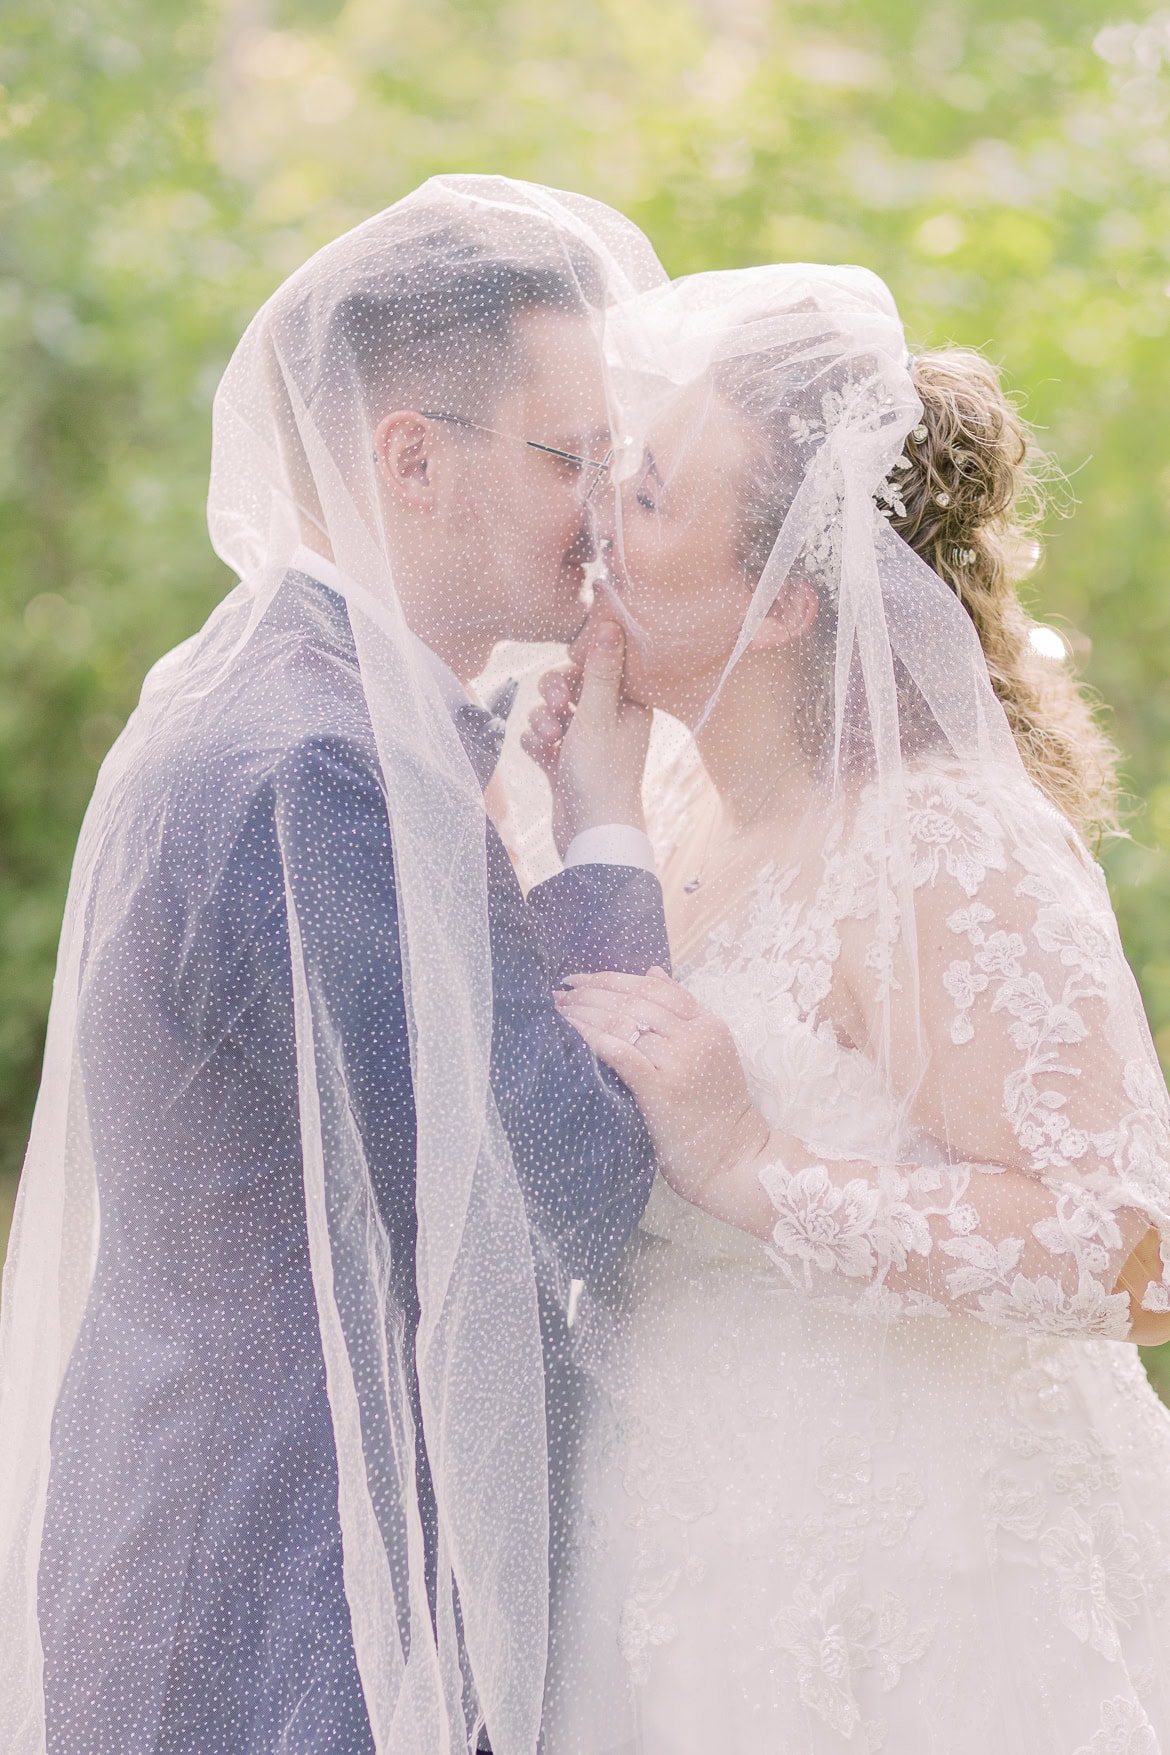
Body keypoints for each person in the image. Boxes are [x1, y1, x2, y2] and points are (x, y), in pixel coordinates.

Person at [0, 176, 673, 1755]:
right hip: (290, 1587)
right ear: (411, 458)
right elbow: (566, 1178)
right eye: (575, 455)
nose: (606, 509)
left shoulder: (281, 698)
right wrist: (604, 836)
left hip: (251, 1531)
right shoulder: (317, 768)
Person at [525, 265, 1170, 1753]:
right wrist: (593, 818)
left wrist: (754, 1164)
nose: (591, 523)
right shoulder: (671, 792)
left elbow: (1124, 1244)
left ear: (785, 601)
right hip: (672, 1536)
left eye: (651, 498)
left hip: (912, 1566)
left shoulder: (938, 844)